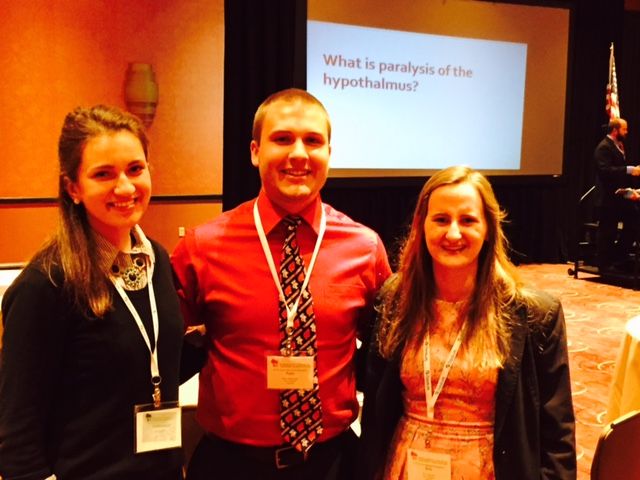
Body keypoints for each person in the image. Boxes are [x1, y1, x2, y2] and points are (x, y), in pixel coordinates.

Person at [171, 88, 392, 479]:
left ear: (329, 153)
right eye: (282, 139)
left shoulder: (364, 247)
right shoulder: (203, 247)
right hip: (231, 466)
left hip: (333, 465)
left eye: (313, 141)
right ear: (255, 151)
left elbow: (386, 357)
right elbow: (155, 345)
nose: (298, 154)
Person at [0, 105, 184, 480]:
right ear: (73, 188)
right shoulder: (46, 285)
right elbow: (17, 434)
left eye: (135, 169)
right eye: (103, 174)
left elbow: (145, 365)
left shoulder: (157, 261)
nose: (125, 188)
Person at [358, 166, 576, 479]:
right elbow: (378, 410)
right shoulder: (394, 299)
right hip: (404, 466)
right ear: (421, 226)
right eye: (441, 219)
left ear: (488, 227)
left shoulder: (535, 314)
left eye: (468, 220)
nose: (454, 233)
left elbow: (558, 434)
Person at [594, 117, 640, 273]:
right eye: (624, 129)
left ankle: (619, 257)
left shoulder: (618, 146)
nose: (626, 132)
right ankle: (604, 264)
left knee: (634, 222)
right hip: (607, 198)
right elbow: (605, 171)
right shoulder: (604, 147)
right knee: (608, 231)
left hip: (620, 196)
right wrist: (629, 169)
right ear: (615, 130)